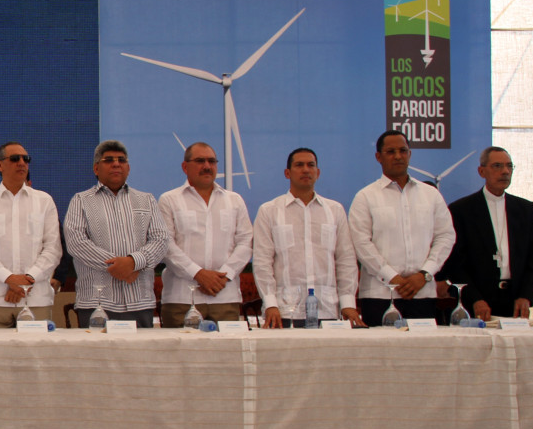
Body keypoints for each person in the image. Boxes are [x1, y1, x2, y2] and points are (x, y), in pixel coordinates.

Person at [349, 130, 455, 327]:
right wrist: (392, 277)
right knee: (381, 347)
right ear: (378, 157)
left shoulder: (431, 194)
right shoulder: (365, 197)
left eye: (402, 151)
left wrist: (424, 274)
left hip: (422, 292)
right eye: (391, 152)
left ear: (409, 154)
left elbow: (446, 236)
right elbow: (361, 243)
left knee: (423, 347)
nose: (398, 156)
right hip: (380, 294)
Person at [252, 147, 363, 328]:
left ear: (318, 172)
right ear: (287, 173)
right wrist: (270, 303)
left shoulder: (334, 210)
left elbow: (346, 259)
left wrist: (348, 303)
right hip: (284, 310)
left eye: (311, 165)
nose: (305, 170)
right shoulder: (269, 211)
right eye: (299, 165)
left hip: (327, 308)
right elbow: (262, 262)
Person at [64, 140, 168, 328]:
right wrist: (118, 266)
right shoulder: (81, 200)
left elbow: (160, 240)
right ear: (96, 168)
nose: (116, 164)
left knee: (143, 349)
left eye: (121, 160)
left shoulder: (146, 200)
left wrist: (133, 262)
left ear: (128, 168)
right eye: (109, 160)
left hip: (139, 301)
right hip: (96, 302)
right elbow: (76, 243)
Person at [441, 146, 533, 321]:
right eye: (497, 166)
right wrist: (474, 298)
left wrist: (526, 295)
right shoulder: (461, 210)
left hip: (516, 301)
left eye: (509, 166)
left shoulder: (526, 209)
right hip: (477, 302)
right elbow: (455, 261)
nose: (505, 171)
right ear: (481, 171)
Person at [157, 141, 252, 327]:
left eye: (211, 161)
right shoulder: (169, 200)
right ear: (185, 167)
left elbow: (246, 242)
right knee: (181, 347)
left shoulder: (234, 200)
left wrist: (224, 276)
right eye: (200, 161)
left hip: (225, 296)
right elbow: (166, 245)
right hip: (182, 298)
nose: (207, 166)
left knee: (227, 347)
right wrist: (198, 274)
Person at [0, 141, 61, 327]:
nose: (22, 163)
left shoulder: (45, 201)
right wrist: (9, 279)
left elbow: (53, 249)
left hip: (35, 299)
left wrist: (27, 280)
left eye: (26, 159)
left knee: (36, 347)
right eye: (15, 159)